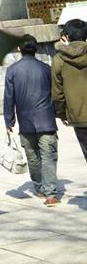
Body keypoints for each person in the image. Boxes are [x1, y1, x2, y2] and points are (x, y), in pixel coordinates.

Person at [4, 34, 58, 205]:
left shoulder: (12, 70)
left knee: (33, 157)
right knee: (48, 156)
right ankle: (51, 194)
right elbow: (55, 94)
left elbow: (8, 98)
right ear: (37, 48)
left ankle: (40, 188)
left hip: (25, 123)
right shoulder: (46, 69)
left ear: (19, 49)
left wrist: (9, 121)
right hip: (46, 120)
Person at [52, 18, 87, 164]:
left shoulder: (59, 59)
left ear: (66, 36)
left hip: (77, 115)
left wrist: (61, 113)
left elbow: (57, 92)